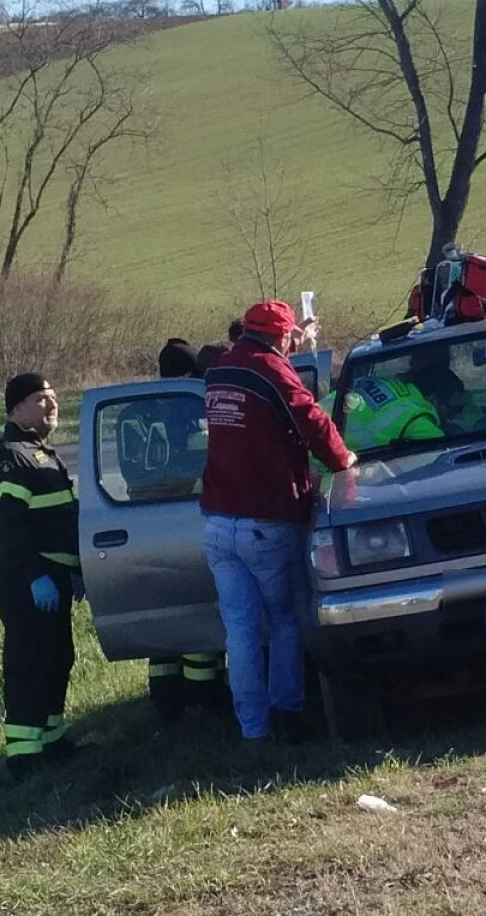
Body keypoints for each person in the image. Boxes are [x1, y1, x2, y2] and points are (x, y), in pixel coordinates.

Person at [201, 301, 355, 743]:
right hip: (265, 520)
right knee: (285, 620)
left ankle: (253, 730)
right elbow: (311, 420)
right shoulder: (272, 369)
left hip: (217, 522)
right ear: (282, 337)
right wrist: (343, 459)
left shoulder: (220, 370)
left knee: (241, 631)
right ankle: (289, 713)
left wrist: (295, 339)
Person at [0, 373, 82, 778]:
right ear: (18, 407)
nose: (51, 404)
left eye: (53, 397)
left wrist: (73, 568)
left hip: (54, 576)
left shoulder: (40, 451)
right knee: (30, 662)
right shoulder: (11, 456)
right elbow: (9, 527)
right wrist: (37, 574)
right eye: (42, 399)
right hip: (27, 578)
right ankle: (24, 756)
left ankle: (52, 739)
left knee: (59, 657)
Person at [138, 339, 228, 721]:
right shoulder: (182, 411)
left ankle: (166, 696)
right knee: (197, 613)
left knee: (165, 618)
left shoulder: (142, 409)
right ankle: (203, 695)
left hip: (144, 519)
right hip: (187, 514)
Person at [335, 348, 478, 453]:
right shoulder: (417, 418)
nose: (449, 417)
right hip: (325, 460)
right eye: (451, 411)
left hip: (319, 428)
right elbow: (441, 457)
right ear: (433, 400)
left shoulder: (384, 384)